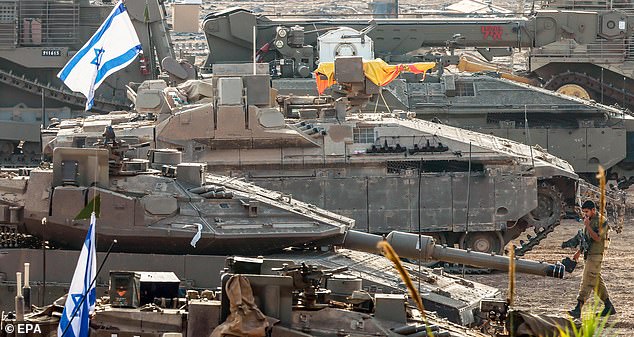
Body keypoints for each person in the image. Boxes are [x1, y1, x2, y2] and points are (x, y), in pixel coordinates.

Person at [567, 200, 616, 318]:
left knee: (587, 280)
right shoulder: (588, 221)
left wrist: (587, 226)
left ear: (593, 210)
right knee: (596, 282)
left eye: (587, 212)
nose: (585, 214)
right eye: (584, 212)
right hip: (589, 255)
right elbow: (586, 240)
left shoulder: (601, 221)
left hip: (596, 255)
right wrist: (578, 252)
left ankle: (578, 308)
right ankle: (609, 307)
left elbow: (598, 238)